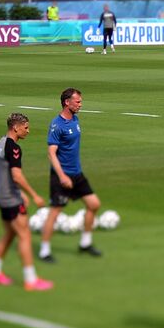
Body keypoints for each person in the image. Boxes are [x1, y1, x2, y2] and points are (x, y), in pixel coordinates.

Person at [0, 112, 54, 291]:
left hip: (1, 195)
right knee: (25, 235)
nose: (28, 131)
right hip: (10, 198)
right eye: (26, 127)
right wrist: (33, 195)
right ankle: (31, 280)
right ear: (15, 127)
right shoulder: (14, 148)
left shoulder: (0, 143)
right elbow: (16, 175)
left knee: (9, 234)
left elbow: (3, 173)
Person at [38, 87, 103, 262]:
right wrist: (62, 176)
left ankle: (85, 243)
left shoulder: (75, 119)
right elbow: (51, 153)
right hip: (62, 176)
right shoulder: (57, 125)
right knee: (55, 212)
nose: (81, 105)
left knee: (94, 204)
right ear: (67, 102)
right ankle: (44, 251)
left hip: (77, 173)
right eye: (78, 101)